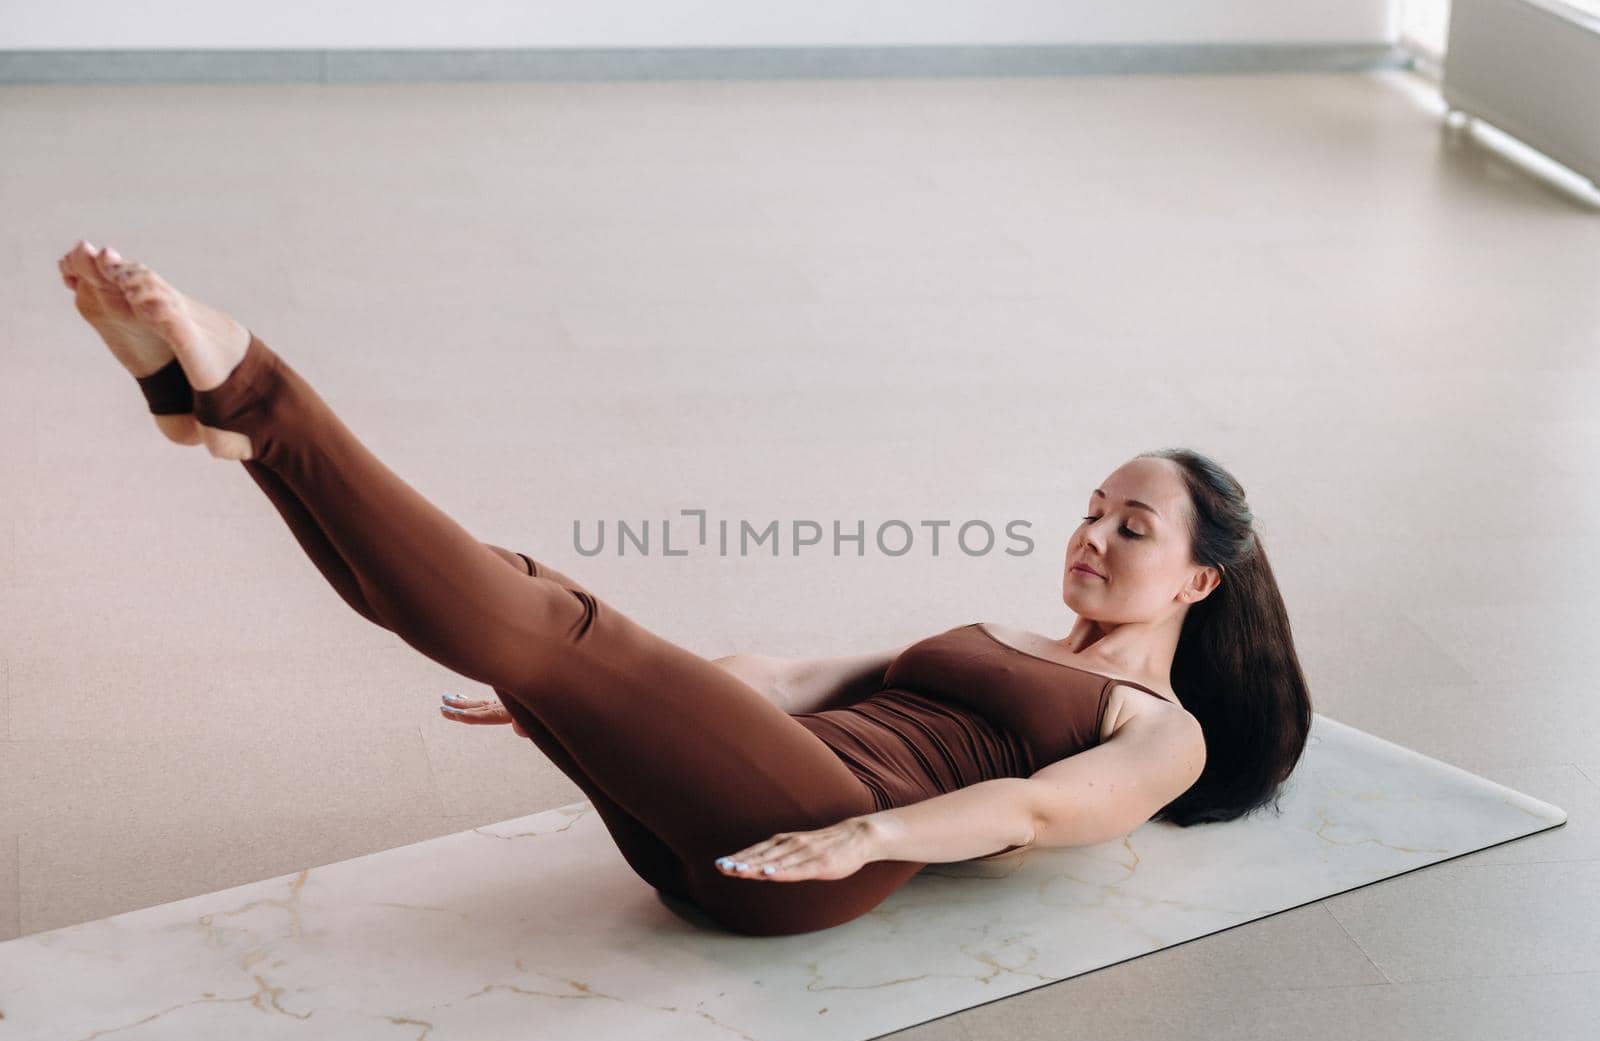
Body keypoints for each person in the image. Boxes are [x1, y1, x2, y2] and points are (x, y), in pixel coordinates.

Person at [56, 239, 1312, 937]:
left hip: (824, 837)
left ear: (1198, 577)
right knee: (526, 639)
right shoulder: (994, 630)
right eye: (1093, 506)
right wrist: (617, 698)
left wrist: (874, 832)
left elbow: (1038, 815)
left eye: (1131, 525)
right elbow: (783, 676)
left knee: (546, 620)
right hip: (746, 803)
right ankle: (218, 421)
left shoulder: (1164, 732)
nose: (1093, 533)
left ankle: (252, 396)